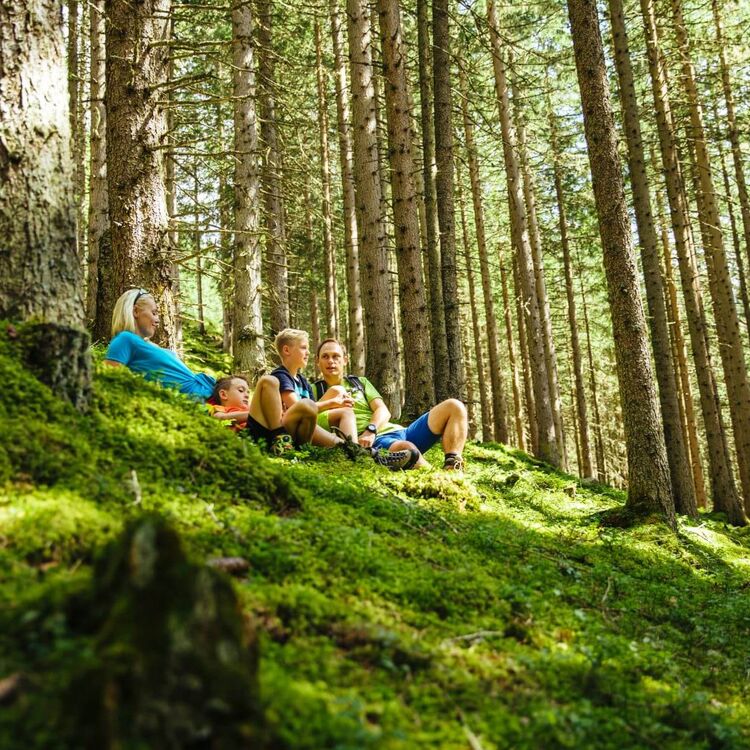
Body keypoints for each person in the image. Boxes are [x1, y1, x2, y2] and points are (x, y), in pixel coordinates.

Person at [270, 329, 416, 470]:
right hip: (290, 430)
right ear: (287, 350)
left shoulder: (302, 380)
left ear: (345, 360)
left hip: (306, 427)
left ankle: (355, 451)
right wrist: (332, 402)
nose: (308, 352)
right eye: (303, 348)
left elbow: (311, 408)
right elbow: (301, 408)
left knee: (346, 412)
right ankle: (358, 453)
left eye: (336, 356)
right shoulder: (282, 376)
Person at [314, 338, 467, 471]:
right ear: (317, 361)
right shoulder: (314, 390)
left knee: (454, 406)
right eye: (325, 357)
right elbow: (310, 419)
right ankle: (442, 481)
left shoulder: (359, 382)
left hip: (398, 431)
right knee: (406, 447)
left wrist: (371, 429)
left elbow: (383, 411)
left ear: (345, 360)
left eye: (336, 356)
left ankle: (453, 466)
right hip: (377, 442)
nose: (331, 361)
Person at [104, 288, 216, 399]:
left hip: (215, 394)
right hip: (205, 403)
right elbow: (109, 382)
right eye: (154, 313)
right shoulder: (125, 339)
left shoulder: (150, 346)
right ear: (135, 311)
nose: (158, 320)